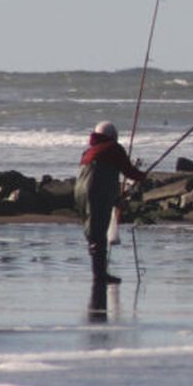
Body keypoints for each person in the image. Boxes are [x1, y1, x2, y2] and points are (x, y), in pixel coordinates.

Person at [74, 121, 146, 284]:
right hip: (96, 189)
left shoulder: (88, 152)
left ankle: (99, 272)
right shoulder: (113, 148)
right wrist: (143, 176)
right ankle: (99, 275)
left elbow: (105, 177)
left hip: (80, 190)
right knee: (99, 230)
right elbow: (128, 171)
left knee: (92, 229)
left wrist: (115, 199)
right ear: (112, 136)